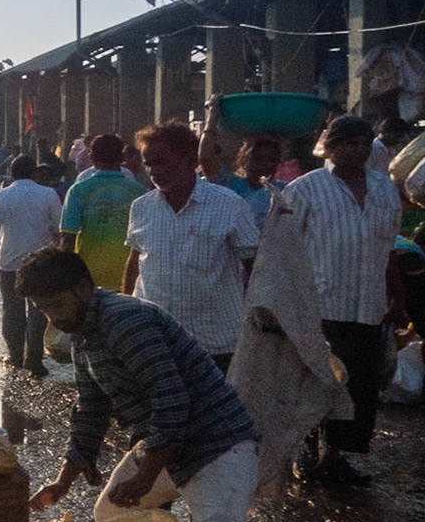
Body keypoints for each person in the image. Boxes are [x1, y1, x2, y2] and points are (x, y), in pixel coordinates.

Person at [20, 248, 262, 522]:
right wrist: (63, 481)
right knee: (110, 515)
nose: (53, 318)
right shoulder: (82, 336)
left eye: (57, 304)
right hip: (163, 444)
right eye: (44, 309)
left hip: (218, 443)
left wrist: (145, 477)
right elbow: (90, 411)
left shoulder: (126, 320)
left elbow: (171, 399)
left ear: (84, 287)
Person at [280, 115, 407, 484]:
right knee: (316, 383)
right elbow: (285, 252)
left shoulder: (384, 189)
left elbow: (389, 249)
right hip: (320, 306)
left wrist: (396, 296)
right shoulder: (303, 190)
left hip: (368, 304)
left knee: (360, 387)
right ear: (331, 147)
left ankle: (335, 457)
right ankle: (307, 451)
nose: (360, 150)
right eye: (351, 143)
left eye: (366, 143)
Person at [122, 121, 258, 371]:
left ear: (188, 159)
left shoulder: (228, 204)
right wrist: (127, 315)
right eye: (148, 164)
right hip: (156, 340)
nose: (153, 171)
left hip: (214, 342)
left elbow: (257, 267)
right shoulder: (141, 207)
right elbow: (135, 264)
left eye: (160, 161)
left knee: (214, 409)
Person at [0, 154, 63, 373]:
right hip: (41, 263)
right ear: (34, 172)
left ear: (11, 174)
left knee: (12, 310)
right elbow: (59, 227)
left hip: (9, 262)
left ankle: (15, 356)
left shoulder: (1, 196)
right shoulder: (48, 194)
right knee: (38, 311)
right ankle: (33, 358)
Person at [58, 133, 143, 292]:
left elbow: (67, 238)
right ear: (122, 156)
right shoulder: (139, 192)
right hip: (130, 279)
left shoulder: (78, 190)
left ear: (91, 156)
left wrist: (65, 281)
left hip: (88, 279)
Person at [226, 133, 287, 232]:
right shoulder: (230, 185)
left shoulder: (285, 190)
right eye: (258, 159)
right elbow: (206, 159)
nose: (265, 164)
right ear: (244, 160)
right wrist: (212, 119)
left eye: (272, 160)